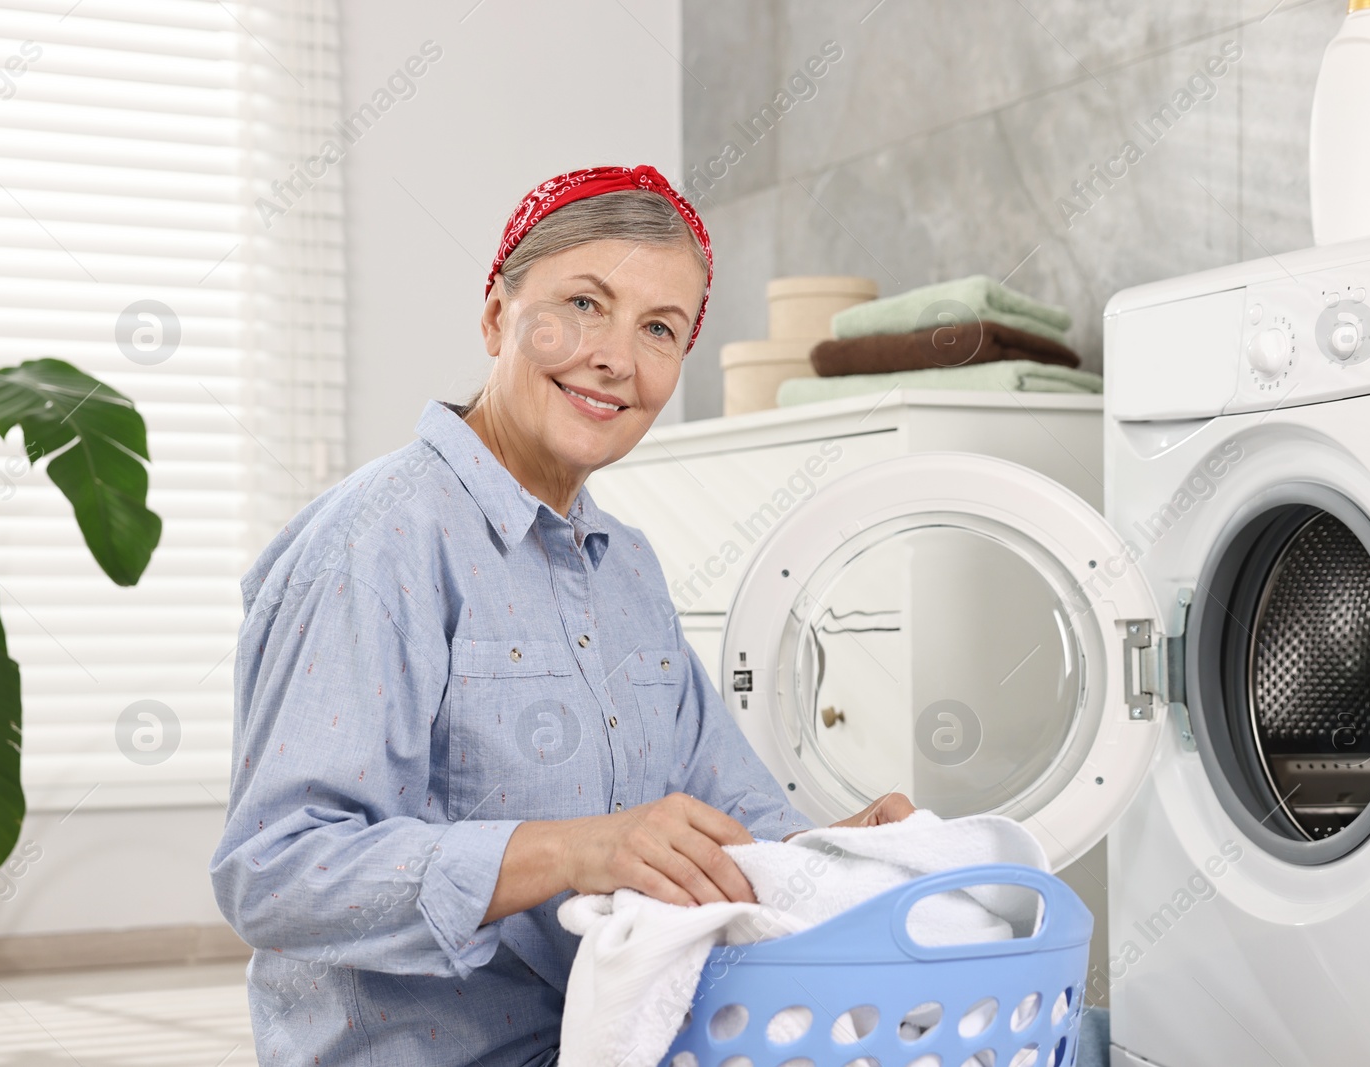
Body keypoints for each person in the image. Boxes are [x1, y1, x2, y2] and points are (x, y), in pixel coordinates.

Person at [210, 165, 914, 1067]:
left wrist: (836, 853)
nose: (616, 355)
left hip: (622, 1039)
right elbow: (274, 873)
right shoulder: (377, 541)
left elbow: (729, 817)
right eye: (583, 303)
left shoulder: (625, 568)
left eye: (658, 329)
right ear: (498, 315)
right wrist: (577, 851)